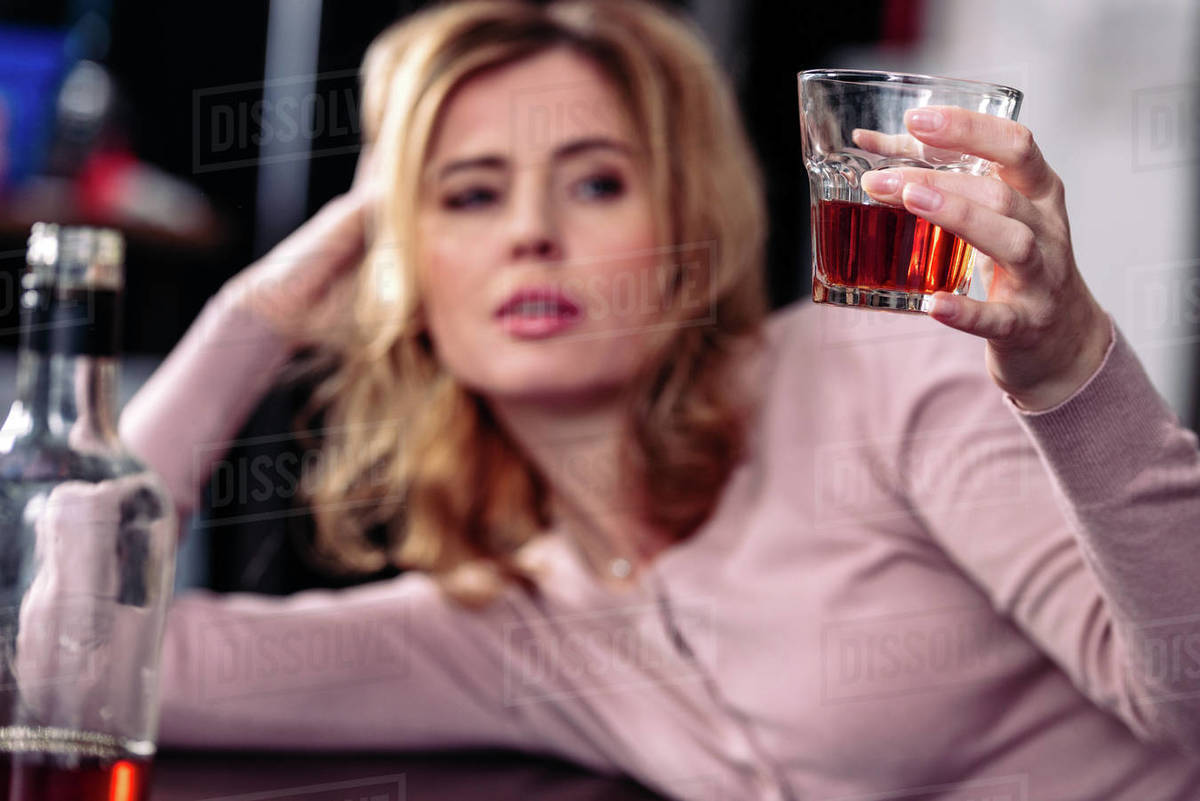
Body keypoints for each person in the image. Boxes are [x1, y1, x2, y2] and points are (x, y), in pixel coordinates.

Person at [118, 1, 1200, 799]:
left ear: (691, 246)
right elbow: (69, 669)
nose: (530, 233)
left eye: (595, 182)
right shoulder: (511, 627)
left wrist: (1067, 374)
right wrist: (255, 311)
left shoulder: (877, 368)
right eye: (470, 194)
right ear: (404, 266)